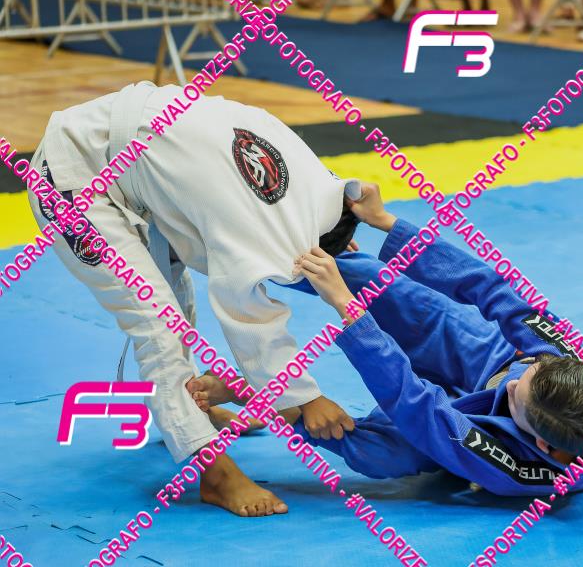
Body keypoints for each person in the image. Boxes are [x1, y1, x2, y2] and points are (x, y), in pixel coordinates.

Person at [27, 81, 358, 517]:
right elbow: (247, 314)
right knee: (157, 324)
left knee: (176, 297)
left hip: (130, 160)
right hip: (73, 178)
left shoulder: (313, 182)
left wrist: (337, 232)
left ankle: (188, 409)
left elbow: (332, 204)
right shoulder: (252, 225)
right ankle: (212, 472)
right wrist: (304, 397)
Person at [262, 184, 583, 494]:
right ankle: (277, 250)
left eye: (517, 396)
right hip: (489, 359)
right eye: (531, 370)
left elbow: (415, 405)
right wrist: (385, 221)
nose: (513, 384)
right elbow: (490, 287)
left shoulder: (518, 467)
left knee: (389, 453)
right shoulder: (568, 363)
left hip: (464, 428)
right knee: (391, 293)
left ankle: (275, 404)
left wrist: (345, 305)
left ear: (542, 444)